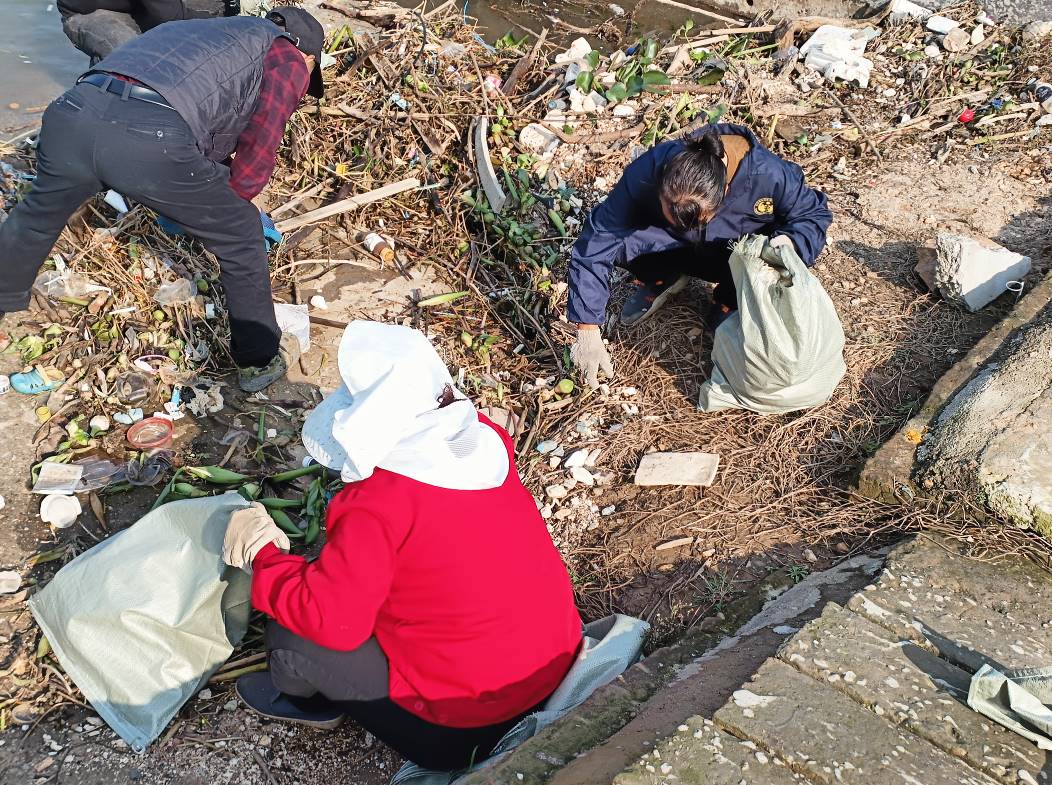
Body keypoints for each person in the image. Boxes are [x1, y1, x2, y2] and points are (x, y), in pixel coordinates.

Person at [221, 321, 583, 771]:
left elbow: (334, 623)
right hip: (553, 665)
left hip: (466, 726)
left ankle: (314, 703)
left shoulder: (377, 505)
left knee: (293, 634)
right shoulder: (485, 440)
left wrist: (265, 557)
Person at [0, 8, 325, 392]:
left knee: (37, 216)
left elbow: (204, 120)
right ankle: (258, 360)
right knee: (240, 234)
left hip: (72, 114)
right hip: (146, 136)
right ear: (307, 54)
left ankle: (5, 299)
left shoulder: (200, 32)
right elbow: (259, 145)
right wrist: (230, 208)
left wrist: (197, 195)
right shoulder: (287, 55)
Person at [567, 123, 834, 388]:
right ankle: (664, 277)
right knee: (622, 243)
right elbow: (598, 239)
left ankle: (729, 300)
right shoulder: (649, 169)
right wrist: (587, 328)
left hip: (729, 255)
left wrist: (789, 244)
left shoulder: (768, 175)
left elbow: (812, 215)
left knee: (761, 259)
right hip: (672, 244)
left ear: (725, 193)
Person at [58, 0, 238, 64]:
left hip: (137, 6)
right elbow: (169, 18)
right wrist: (232, 25)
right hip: (86, 12)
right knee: (128, 55)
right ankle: (102, 108)